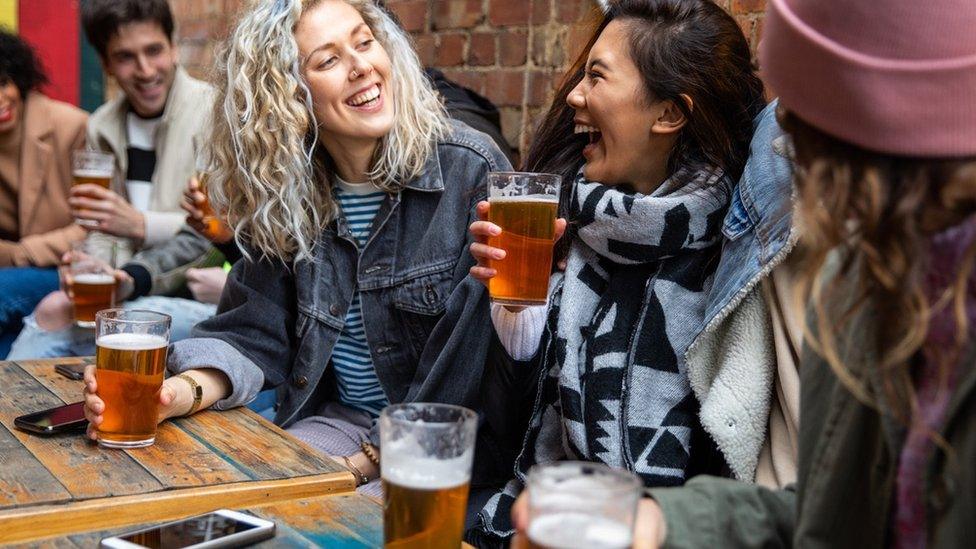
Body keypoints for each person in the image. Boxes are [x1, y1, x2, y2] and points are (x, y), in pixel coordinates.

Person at [571, 0, 976, 547]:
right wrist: (664, 523)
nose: (780, 144)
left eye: (801, 122)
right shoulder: (877, 282)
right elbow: (833, 519)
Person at [82, 0, 513, 497]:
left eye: (365, 42)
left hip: (442, 447)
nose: (361, 67)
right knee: (216, 499)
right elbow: (253, 333)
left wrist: (362, 464)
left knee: (320, 522)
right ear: (288, 96)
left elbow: (466, 368)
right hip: (340, 421)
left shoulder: (468, 169)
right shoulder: (287, 191)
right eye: (328, 61)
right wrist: (174, 393)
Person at [467, 0, 766, 544]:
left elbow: (726, 473)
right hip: (538, 523)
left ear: (669, 114)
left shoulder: (734, 261)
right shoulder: (563, 218)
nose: (575, 96)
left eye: (596, 77)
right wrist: (517, 313)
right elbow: (501, 440)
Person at [71, 0, 213, 264]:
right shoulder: (101, 125)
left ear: (173, 47)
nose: (145, 71)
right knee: (50, 305)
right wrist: (98, 268)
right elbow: (105, 231)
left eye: (153, 50)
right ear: (106, 64)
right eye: (126, 57)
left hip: (193, 283)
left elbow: (225, 229)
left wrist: (140, 224)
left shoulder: (214, 113)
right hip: (132, 281)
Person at [0, 30, 88, 358]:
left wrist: (19, 253)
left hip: (68, 268)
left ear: (19, 79)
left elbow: (96, 226)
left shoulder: (70, 127)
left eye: (3, 82)